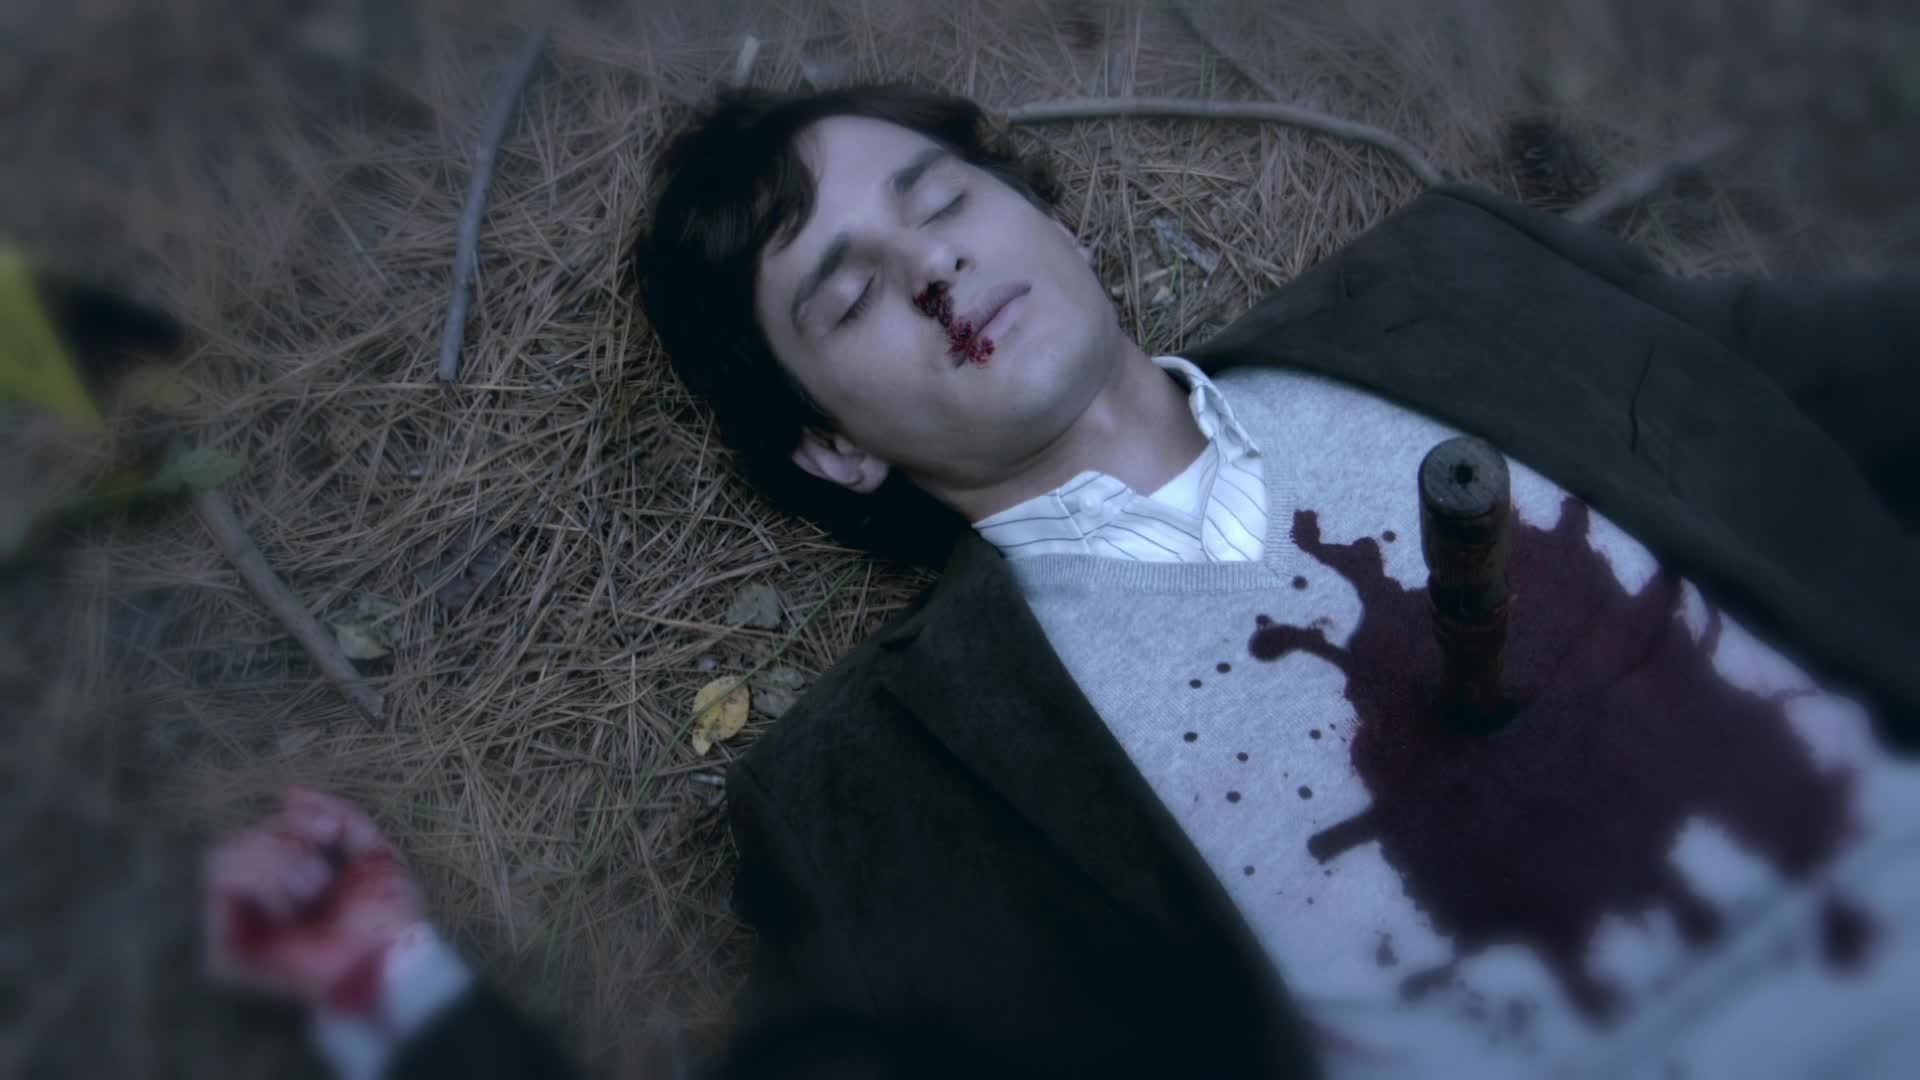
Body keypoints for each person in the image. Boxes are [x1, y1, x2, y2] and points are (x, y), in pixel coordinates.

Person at [632, 81, 1920, 1079]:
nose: (930, 269)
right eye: (850, 297)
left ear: (1045, 217)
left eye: (942, 202)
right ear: (831, 446)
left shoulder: (1456, 283)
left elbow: (1829, 373)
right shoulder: (877, 796)